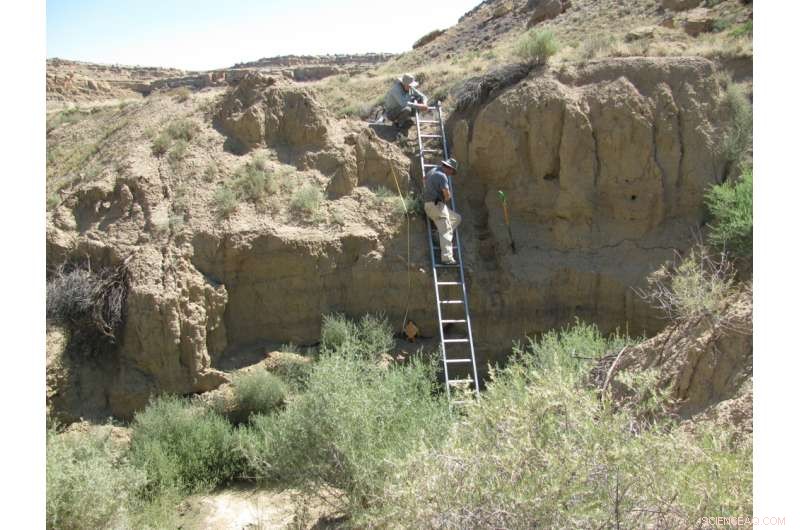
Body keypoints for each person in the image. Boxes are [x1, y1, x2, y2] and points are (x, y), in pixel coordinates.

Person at [423, 158, 462, 265]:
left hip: (429, 204)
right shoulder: (442, 176)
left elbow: (424, 179)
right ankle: (447, 258)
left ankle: (437, 235)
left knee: (456, 218)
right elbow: (446, 194)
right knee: (446, 230)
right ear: (449, 169)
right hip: (436, 205)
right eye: (452, 172)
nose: (451, 174)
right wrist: (446, 198)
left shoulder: (432, 170)